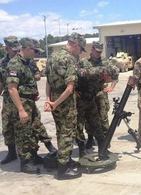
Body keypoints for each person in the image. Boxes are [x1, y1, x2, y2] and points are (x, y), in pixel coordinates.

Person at [44, 33, 83, 180]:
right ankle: (63, 169)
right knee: (67, 133)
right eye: (80, 49)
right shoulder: (69, 59)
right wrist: (56, 103)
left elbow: (48, 81)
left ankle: (64, 158)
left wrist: (49, 100)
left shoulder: (52, 57)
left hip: (55, 100)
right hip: (64, 103)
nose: (79, 53)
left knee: (61, 131)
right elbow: (69, 88)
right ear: (75, 45)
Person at [6, 37, 44, 174]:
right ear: (27, 48)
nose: (36, 53)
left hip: (30, 101)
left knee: (33, 130)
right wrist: (21, 109)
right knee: (24, 133)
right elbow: (12, 88)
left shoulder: (27, 62)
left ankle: (33, 156)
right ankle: (25, 163)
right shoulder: (15, 63)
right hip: (22, 103)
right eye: (34, 50)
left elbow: (29, 81)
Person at [85, 42, 119, 149]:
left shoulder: (105, 62)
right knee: (89, 118)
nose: (98, 53)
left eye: (100, 51)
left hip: (100, 93)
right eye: (96, 51)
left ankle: (106, 140)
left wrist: (111, 87)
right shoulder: (85, 62)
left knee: (103, 118)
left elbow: (115, 74)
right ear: (92, 49)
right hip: (88, 94)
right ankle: (90, 138)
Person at [0, 36, 21, 164]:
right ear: (6, 48)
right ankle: (12, 152)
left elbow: (35, 76)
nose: (16, 51)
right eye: (13, 49)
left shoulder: (24, 61)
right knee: (7, 126)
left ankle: (31, 153)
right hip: (8, 100)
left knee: (27, 126)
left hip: (22, 98)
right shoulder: (2, 62)